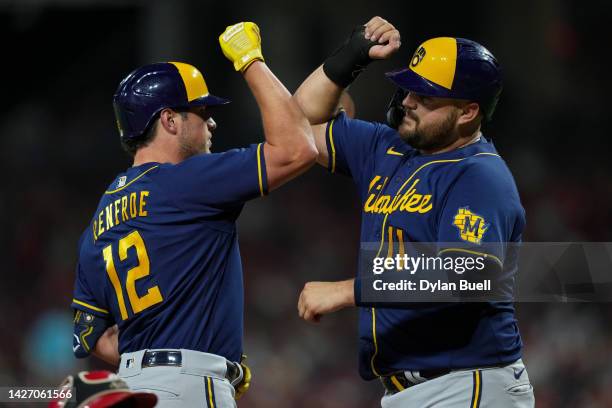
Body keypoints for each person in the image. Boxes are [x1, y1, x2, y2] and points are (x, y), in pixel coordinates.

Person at [71, 21, 316, 407]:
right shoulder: (186, 181)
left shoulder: (97, 223)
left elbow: (95, 337)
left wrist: (156, 360)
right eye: (201, 111)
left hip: (131, 388)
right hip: (188, 386)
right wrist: (249, 59)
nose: (212, 121)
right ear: (169, 120)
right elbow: (298, 148)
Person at [295, 17, 535, 407]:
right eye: (409, 89)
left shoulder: (479, 175)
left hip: (464, 384)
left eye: (427, 97)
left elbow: (468, 277)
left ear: (468, 112)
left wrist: (348, 291)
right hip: (413, 389)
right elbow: (299, 126)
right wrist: (351, 57)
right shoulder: (386, 148)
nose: (407, 101)